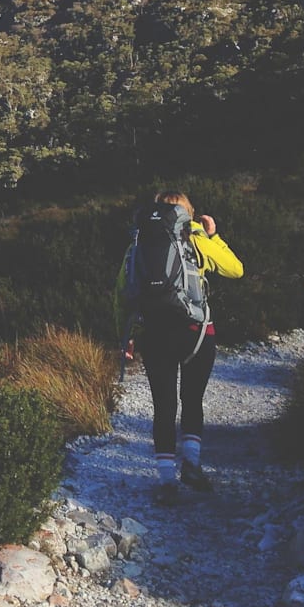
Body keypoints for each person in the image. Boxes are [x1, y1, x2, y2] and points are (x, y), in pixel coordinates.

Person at [117, 190, 244, 503]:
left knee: (163, 406)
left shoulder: (137, 246)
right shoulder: (196, 241)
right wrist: (210, 235)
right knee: (192, 399)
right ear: (188, 215)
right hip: (196, 333)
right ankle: (192, 464)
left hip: (154, 334)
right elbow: (235, 269)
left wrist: (125, 335)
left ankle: (166, 481)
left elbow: (122, 292)